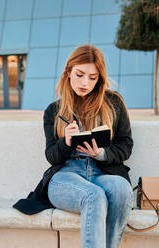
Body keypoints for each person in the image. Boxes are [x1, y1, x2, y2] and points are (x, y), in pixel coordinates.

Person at [13, 44, 134, 248]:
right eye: (79, 74)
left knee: (122, 189)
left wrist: (102, 153)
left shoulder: (114, 103)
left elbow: (126, 145)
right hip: (66, 176)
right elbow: (51, 155)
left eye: (92, 77)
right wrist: (66, 141)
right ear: (68, 72)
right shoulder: (54, 111)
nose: (85, 83)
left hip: (102, 172)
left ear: (100, 78)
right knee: (93, 196)